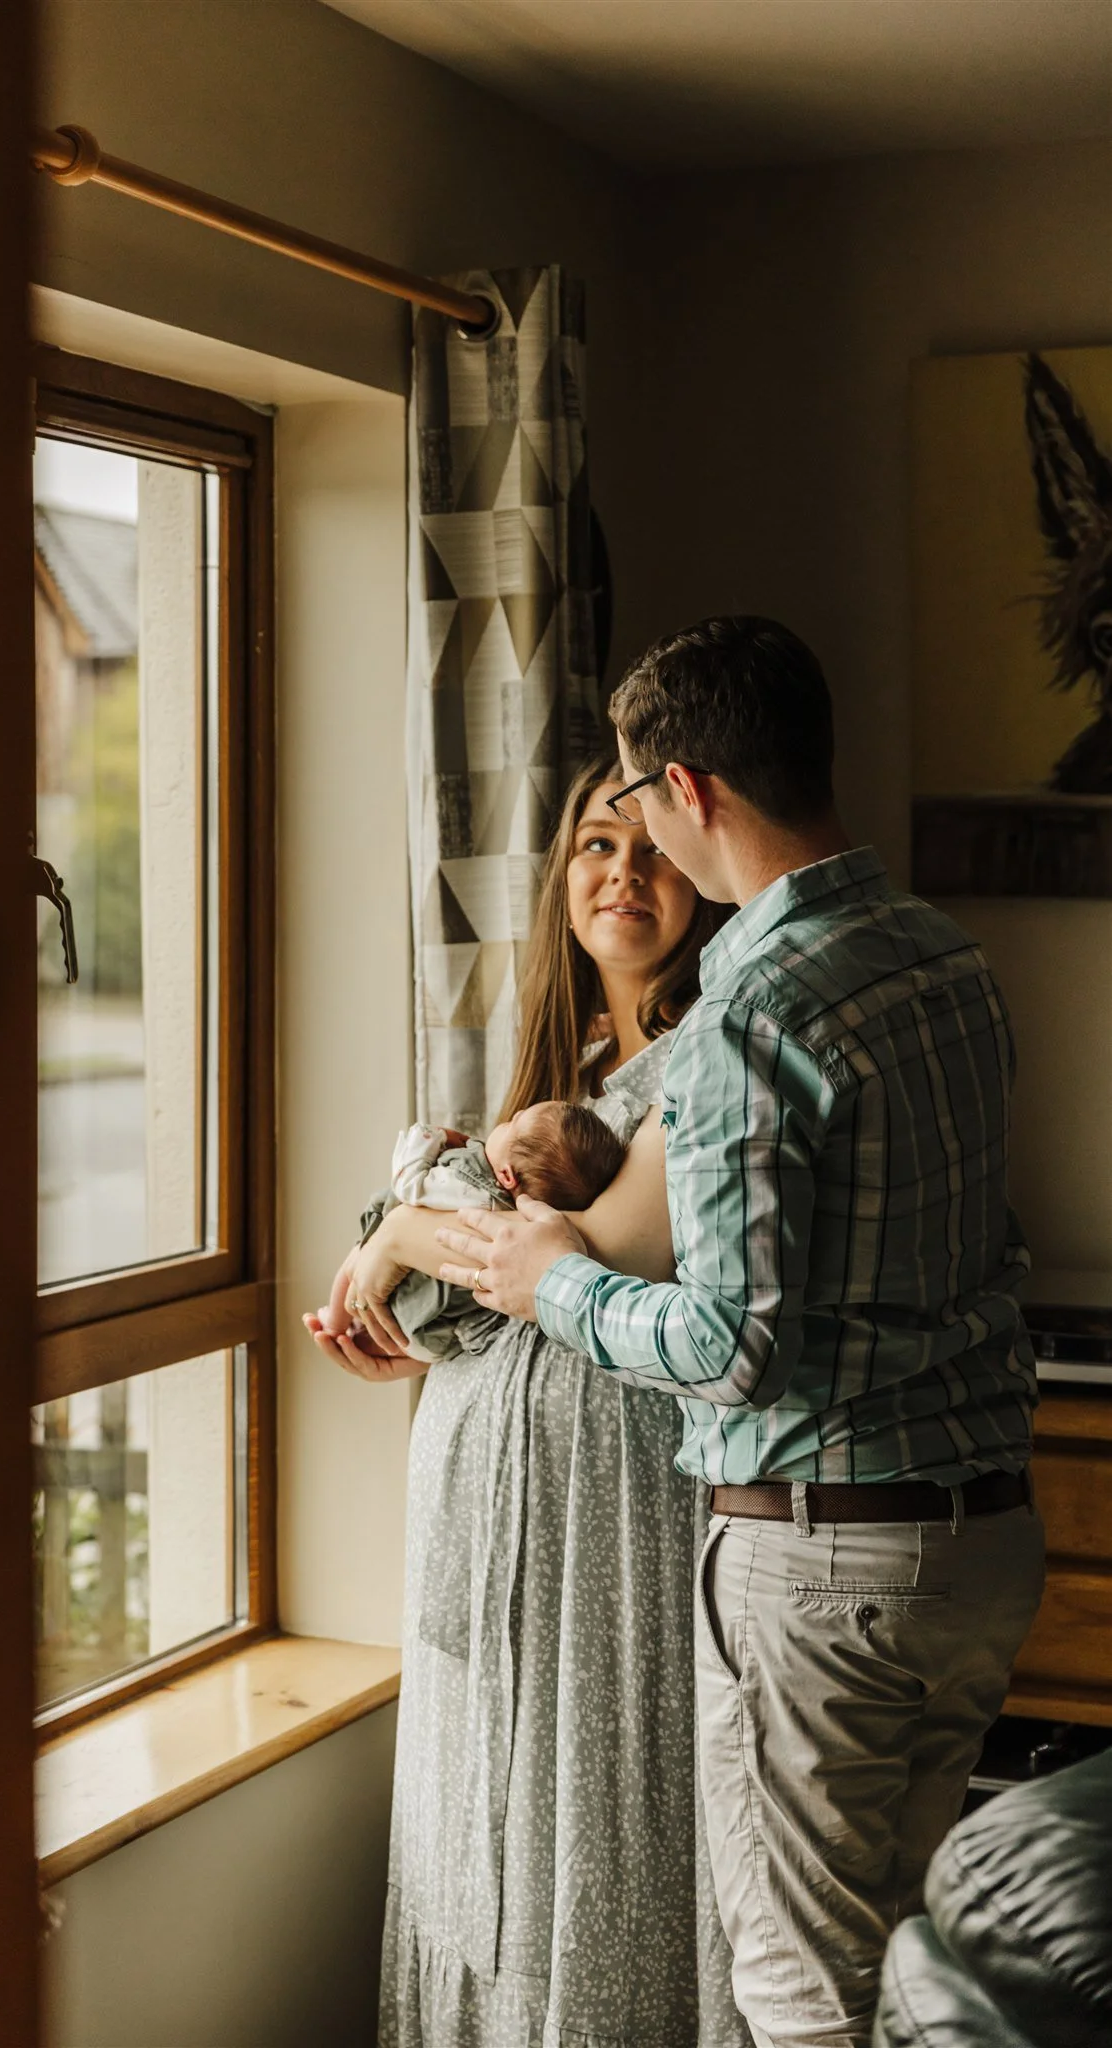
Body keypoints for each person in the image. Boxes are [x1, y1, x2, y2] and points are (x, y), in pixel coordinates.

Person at [440, 619, 1046, 2048]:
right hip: (980, 1541)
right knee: (912, 1969)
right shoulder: (945, 959)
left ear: (691, 790)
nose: (642, 835)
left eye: (641, 802)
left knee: (799, 1998)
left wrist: (548, 1282)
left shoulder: (753, 1015)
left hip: (825, 1555)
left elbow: (731, 1346)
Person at [305, 757, 745, 2048]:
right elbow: (489, 1257)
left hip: (614, 1510)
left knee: (600, 1804)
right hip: (489, 1490)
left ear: (700, 869)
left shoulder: (711, 1047)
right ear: (560, 878)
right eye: (595, 849)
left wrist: (394, 1232)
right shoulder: (569, 1057)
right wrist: (391, 1258)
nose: (623, 876)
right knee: (480, 1811)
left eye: (652, 849)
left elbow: (583, 1253)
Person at [318, 1103, 627, 1364]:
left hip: (410, 1300)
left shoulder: (470, 1189)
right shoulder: (518, 1224)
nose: (510, 1116)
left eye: (512, 1123)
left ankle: (333, 1320)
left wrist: (429, 1137)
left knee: (355, 1260)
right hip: (434, 1327)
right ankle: (351, 1331)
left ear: (506, 1175)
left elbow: (409, 1185)